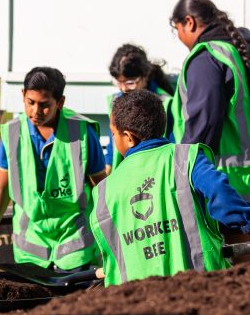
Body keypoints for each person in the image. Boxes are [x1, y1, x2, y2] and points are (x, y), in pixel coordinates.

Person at [89, 90, 250, 287]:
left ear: (129, 137)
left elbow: (112, 257)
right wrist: (244, 221)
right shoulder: (184, 158)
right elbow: (220, 193)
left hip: (139, 303)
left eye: (113, 133)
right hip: (203, 289)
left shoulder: (104, 190)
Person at [0, 67, 107, 272]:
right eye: (31, 103)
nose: (36, 112)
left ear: (60, 102)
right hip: (32, 247)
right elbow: (2, 189)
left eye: (45, 105)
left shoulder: (82, 134)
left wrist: (109, 235)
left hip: (74, 242)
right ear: (23, 95)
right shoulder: (11, 134)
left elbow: (102, 189)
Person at [169, 0, 250, 201]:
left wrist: (180, 179)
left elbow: (201, 132)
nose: (178, 37)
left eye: (176, 30)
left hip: (226, 188)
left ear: (189, 22)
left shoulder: (207, 58)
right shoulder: (239, 50)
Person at [106, 43, 174, 173]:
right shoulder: (116, 102)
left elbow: (173, 144)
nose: (124, 88)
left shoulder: (166, 103)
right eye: (118, 82)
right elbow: (112, 145)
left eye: (130, 82)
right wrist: (107, 171)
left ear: (145, 75)